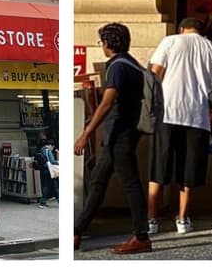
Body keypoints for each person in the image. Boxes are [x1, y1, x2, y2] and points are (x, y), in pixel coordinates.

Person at [73, 22, 151, 254]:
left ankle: (142, 237)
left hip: (120, 133)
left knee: (130, 183)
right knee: (98, 183)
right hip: (124, 131)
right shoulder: (133, 64)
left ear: (108, 42)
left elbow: (107, 103)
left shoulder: (117, 66)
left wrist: (85, 133)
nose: (102, 46)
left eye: (102, 41)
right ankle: (76, 232)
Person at [146, 17, 212, 235]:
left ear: (182, 29)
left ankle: (151, 220)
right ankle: (182, 219)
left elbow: (154, 75)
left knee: (158, 168)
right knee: (188, 171)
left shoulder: (170, 41)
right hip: (197, 117)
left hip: (167, 113)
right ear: (202, 31)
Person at [37, 138, 59, 207]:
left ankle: (42, 202)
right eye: (53, 147)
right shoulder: (48, 151)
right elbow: (52, 161)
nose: (52, 149)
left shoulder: (41, 150)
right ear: (50, 145)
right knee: (55, 186)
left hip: (44, 170)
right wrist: (59, 162)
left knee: (46, 186)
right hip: (50, 171)